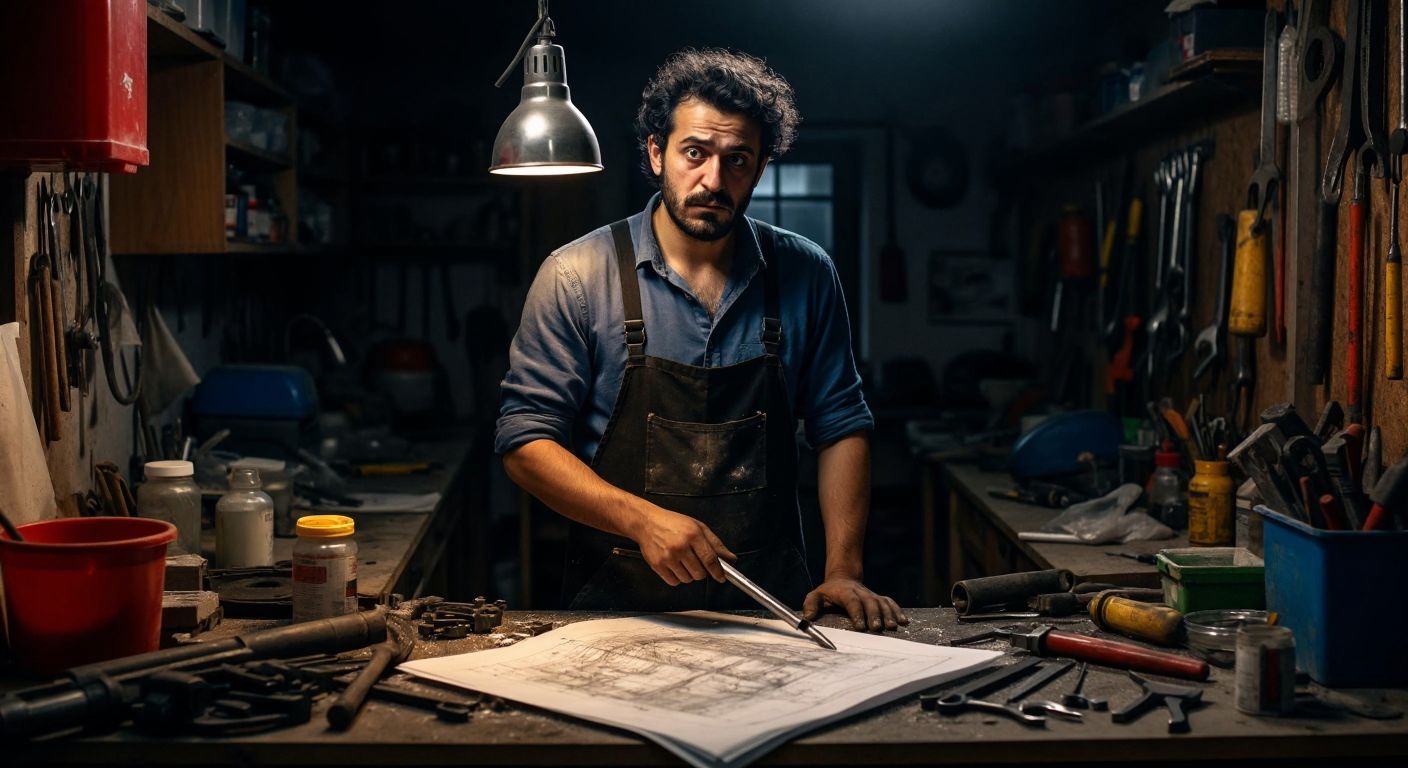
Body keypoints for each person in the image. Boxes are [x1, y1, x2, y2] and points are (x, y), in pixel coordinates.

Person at [496, 48, 906, 632]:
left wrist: (843, 568)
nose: (714, 180)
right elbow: (525, 444)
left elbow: (841, 427)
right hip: (614, 613)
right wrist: (642, 521)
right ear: (657, 152)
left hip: (773, 610)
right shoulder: (576, 275)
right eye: (695, 153)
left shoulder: (807, 273)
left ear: (760, 168)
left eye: (737, 160)